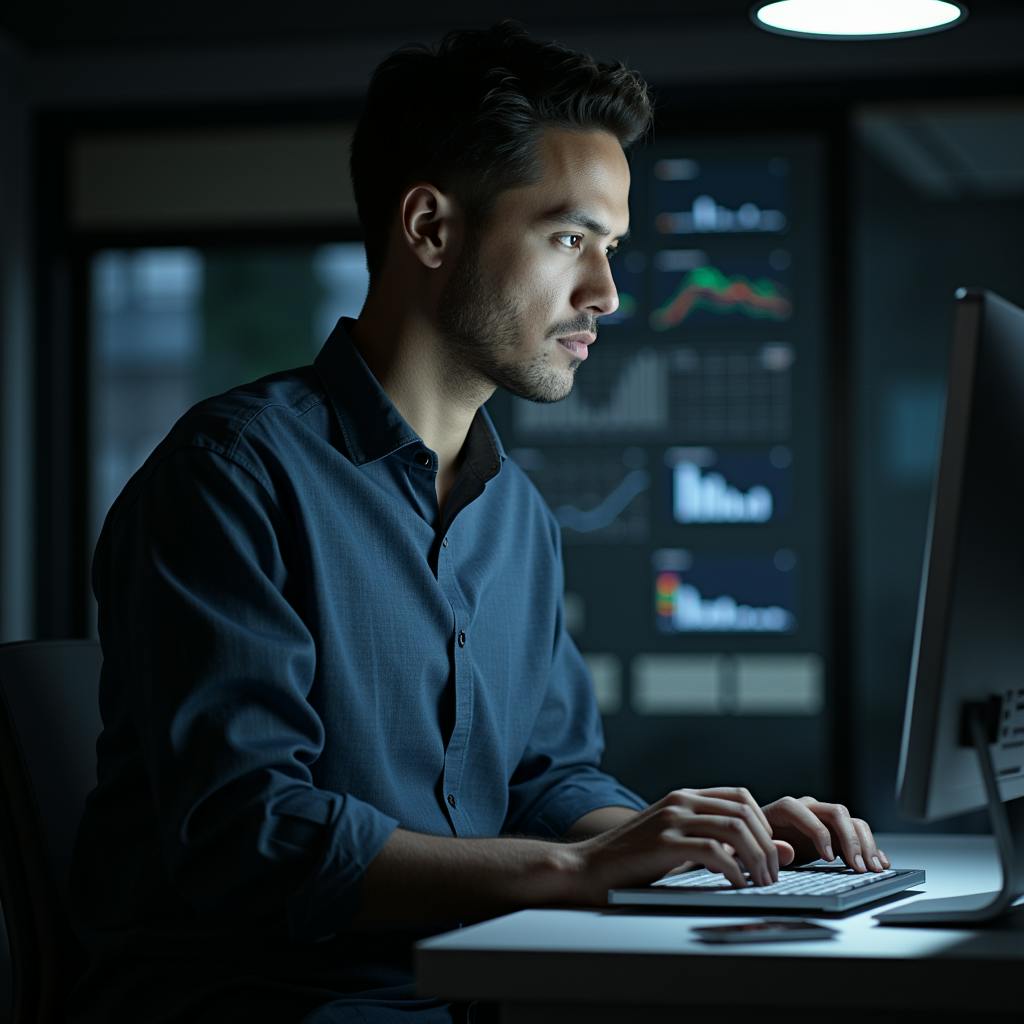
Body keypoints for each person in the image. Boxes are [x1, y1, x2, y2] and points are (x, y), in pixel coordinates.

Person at [69, 21, 888, 1024]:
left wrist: (695, 842)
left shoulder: (516, 516)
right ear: (428, 229)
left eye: (612, 247)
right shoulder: (230, 476)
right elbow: (255, 834)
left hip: (466, 992)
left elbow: (547, 776)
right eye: (567, 239)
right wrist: (577, 866)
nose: (606, 293)